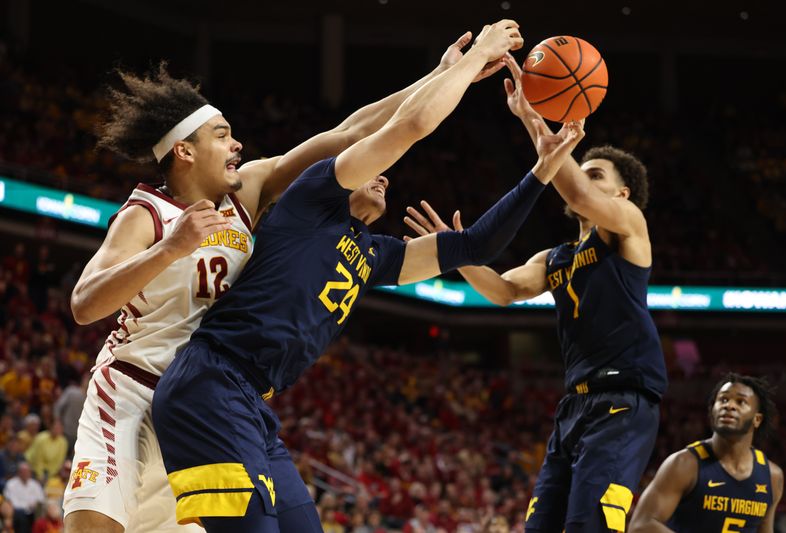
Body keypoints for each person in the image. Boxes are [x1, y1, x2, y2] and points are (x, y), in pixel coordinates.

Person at [63, 32, 503, 533]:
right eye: (223, 135)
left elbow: (350, 130)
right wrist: (171, 247)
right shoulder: (147, 215)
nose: (238, 144)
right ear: (184, 151)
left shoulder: (249, 191)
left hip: (201, 409)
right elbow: (83, 304)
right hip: (131, 391)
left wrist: (441, 76)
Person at [151, 21, 582, 532]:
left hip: (254, 403)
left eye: (387, 177)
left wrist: (542, 173)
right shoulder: (313, 198)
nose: (383, 175)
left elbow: (477, 245)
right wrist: (470, 64)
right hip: (211, 384)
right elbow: (406, 127)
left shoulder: (373, 255)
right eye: (373, 170)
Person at [403, 55, 667, 532]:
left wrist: (533, 120)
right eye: (581, 170)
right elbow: (504, 291)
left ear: (623, 194)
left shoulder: (629, 226)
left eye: (596, 173)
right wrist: (455, 253)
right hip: (575, 405)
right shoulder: (556, 257)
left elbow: (581, 198)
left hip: (623, 400)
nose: (582, 178)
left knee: (590, 525)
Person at [629, 374, 784, 532]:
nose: (729, 406)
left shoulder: (772, 476)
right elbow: (641, 525)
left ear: (757, 419)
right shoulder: (684, 464)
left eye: (740, 401)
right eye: (723, 400)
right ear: (712, 411)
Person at [3, 462, 45, 533]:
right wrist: (26, 508)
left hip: (33, 512)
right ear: (19, 472)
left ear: (30, 472)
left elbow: (41, 499)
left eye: (27, 471)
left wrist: (35, 505)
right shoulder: (11, 484)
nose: (25, 474)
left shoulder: (35, 485)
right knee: (21, 515)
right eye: (23, 471)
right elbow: (10, 501)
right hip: (16, 512)